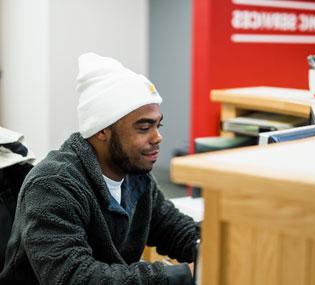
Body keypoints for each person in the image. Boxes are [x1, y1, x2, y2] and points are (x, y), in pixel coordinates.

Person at [0, 53, 200, 285]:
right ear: (101, 131)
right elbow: (75, 278)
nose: (158, 137)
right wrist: (183, 274)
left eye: (158, 125)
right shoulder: (53, 184)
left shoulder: (135, 176)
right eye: (144, 127)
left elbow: (174, 229)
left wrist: (212, 251)